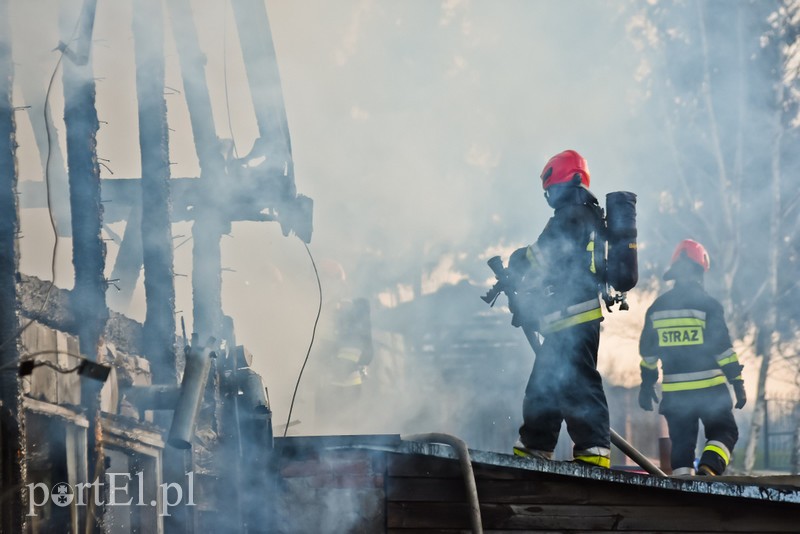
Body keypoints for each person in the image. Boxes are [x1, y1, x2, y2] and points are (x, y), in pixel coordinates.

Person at [508, 149, 611, 468]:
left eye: (551, 189)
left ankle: (594, 452)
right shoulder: (585, 214)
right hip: (566, 319)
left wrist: (519, 259)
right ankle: (534, 448)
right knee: (544, 384)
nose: (549, 196)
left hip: (575, 318)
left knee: (578, 381)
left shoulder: (571, 214)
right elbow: (558, 267)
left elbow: (545, 254)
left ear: (566, 183)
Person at [638, 239, 746, 476]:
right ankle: (709, 468)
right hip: (711, 391)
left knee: (682, 443)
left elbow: (648, 354)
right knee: (725, 432)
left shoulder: (657, 308)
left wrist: (647, 384)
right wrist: (737, 381)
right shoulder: (709, 306)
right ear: (700, 272)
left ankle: (683, 488)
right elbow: (723, 350)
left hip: (676, 394)